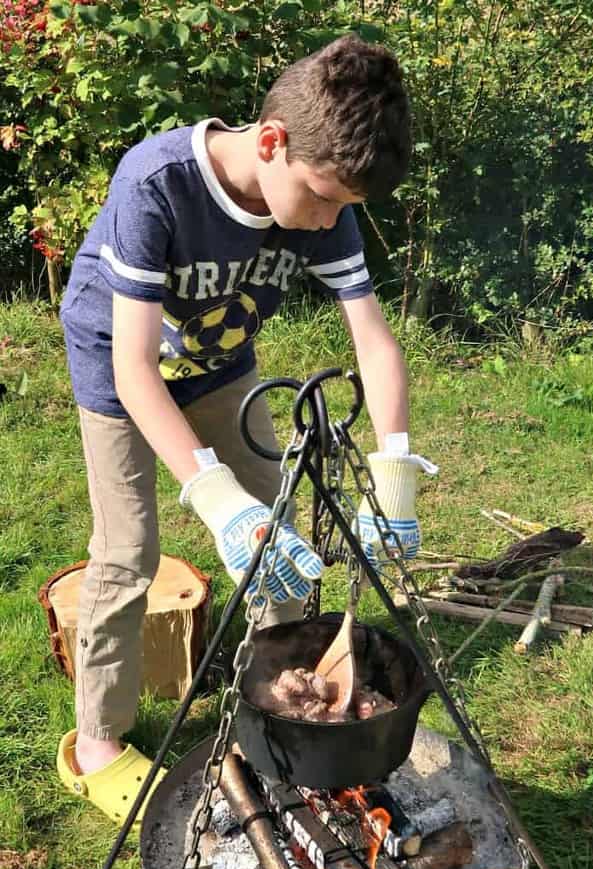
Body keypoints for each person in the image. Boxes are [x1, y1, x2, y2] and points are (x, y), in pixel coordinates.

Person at [55, 33, 435, 827]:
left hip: (222, 364)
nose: (330, 221)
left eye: (345, 209)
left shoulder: (321, 187)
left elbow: (373, 338)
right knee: (128, 551)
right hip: (118, 365)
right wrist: (213, 496)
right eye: (325, 199)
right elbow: (134, 368)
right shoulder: (158, 182)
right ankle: (96, 745)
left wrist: (394, 470)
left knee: (280, 536)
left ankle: (280, 694)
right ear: (272, 142)